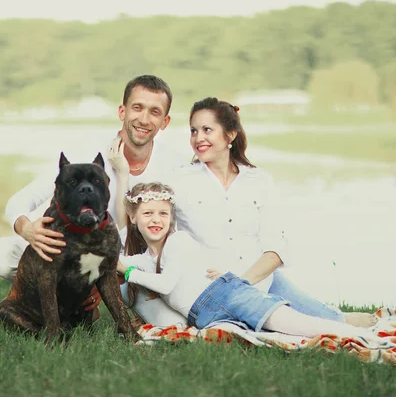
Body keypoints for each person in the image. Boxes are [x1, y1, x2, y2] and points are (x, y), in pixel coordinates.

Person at [109, 96, 375, 328]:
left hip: (261, 279)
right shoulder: (180, 179)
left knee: (330, 320)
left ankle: (333, 317)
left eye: (207, 130)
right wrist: (122, 173)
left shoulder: (259, 180)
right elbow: (139, 215)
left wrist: (243, 281)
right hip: (211, 288)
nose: (198, 138)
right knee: (297, 324)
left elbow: (276, 247)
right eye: (193, 131)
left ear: (230, 135)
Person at [0, 74, 187, 322]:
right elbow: (23, 199)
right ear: (122, 111)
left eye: (154, 112)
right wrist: (27, 228)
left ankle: (90, 303)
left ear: (165, 121)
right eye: (137, 108)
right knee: (1, 253)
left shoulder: (175, 166)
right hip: (66, 253)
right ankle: (59, 300)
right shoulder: (84, 153)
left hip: (129, 263)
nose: (144, 119)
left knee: (173, 317)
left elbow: (180, 231)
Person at [116, 181, 377, 339]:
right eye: (148, 213)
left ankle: (363, 336)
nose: (156, 219)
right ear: (133, 217)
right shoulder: (147, 259)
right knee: (271, 333)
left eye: (163, 213)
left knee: (297, 325)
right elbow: (119, 259)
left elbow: (166, 284)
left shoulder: (178, 241)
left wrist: (127, 273)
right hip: (205, 315)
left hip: (224, 295)